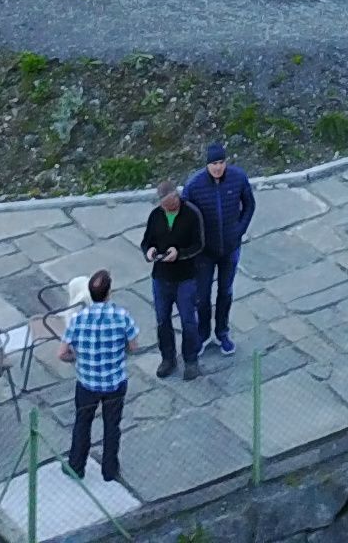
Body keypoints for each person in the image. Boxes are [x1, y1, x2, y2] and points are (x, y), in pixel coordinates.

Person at [176, 136, 256, 373]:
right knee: (202, 295)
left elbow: (249, 205)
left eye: (221, 162)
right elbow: (185, 217)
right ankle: (203, 334)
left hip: (230, 249)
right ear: (207, 165)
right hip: (204, 253)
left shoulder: (239, 178)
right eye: (214, 164)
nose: (218, 167)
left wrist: (239, 230)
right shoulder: (194, 185)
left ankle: (222, 333)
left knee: (225, 292)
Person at [60, 269, 135, 481]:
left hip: (87, 383)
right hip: (114, 382)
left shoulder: (78, 320)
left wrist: (78, 358)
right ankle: (110, 470)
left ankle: (76, 467)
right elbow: (133, 346)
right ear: (109, 293)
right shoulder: (122, 316)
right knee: (112, 426)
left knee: (82, 423)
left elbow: (62, 352)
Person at [138, 175, 208, 378]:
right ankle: (168, 359)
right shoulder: (156, 216)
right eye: (167, 205)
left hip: (186, 277)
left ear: (177, 196)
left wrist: (180, 254)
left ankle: (191, 360)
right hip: (161, 277)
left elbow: (199, 244)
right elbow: (146, 241)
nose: (171, 207)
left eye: (174, 202)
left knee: (188, 320)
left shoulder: (192, 214)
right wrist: (149, 251)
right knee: (162, 320)